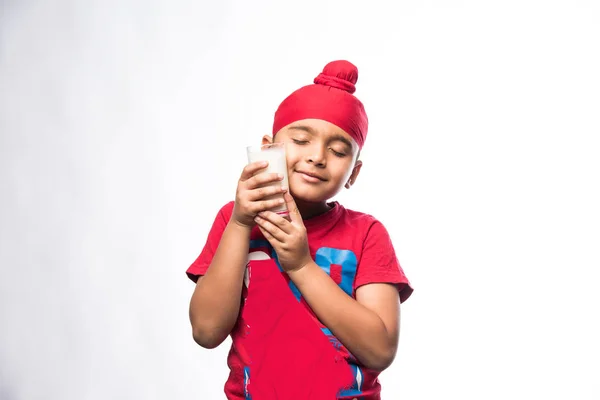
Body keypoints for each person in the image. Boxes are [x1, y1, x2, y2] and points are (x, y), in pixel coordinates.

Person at [186, 60, 413, 400]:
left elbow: (380, 351)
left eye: (338, 151)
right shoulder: (233, 221)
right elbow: (206, 331)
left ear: (354, 173)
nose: (317, 157)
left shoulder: (367, 233)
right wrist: (240, 223)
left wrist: (302, 266)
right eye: (301, 140)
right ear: (268, 148)